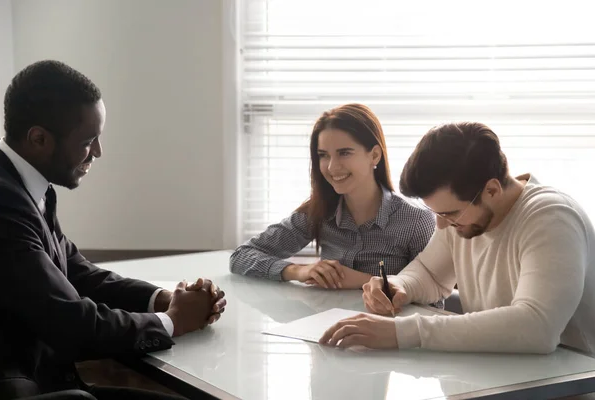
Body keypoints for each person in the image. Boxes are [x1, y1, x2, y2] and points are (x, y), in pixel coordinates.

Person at [0, 60, 226, 400]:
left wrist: (162, 299)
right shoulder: (1, 202)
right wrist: (174, 320)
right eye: (89, 141)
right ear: (39, 139)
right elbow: (72, 325)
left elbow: (78, 273)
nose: (98, 153)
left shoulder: (28, 186)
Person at [319, 121, 595, 355]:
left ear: (492, 190)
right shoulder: (467, 217)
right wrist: (395, 286)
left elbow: (537, 327)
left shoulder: (552, 219)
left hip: (573, 384)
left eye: (450, 213)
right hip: (505, 373)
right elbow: (429, 273)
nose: (441, 224)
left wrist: (403, 332)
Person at [230, 104, 435, 290]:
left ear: (374, 155)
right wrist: (299, 271)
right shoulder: (317, 212)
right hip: (325, 326)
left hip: (389, 328)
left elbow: (432, 299)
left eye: (344, 153)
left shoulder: (417, 220)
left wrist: (365, 280)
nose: (331, 167)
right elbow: (241, 257)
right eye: (323, 155)